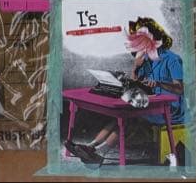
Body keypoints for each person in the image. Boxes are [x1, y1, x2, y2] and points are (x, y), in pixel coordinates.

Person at [66, 17, 185, 165]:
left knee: (129, 118)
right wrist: (136, 66)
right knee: (119, 116)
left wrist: (159, 83)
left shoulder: (172, 59)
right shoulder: (147, 58)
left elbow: (179, 89)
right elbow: (137, 79)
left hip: (171, 109)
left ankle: (100, 152)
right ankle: (90, 147)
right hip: (153, 101)